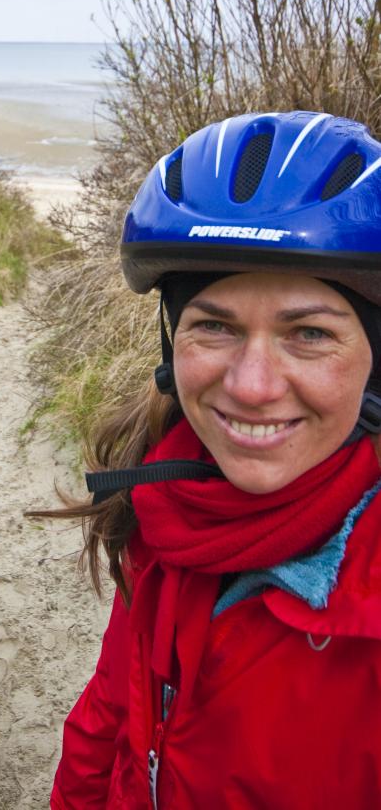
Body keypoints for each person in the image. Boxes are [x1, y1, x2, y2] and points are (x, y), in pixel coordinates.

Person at [48, 111, 381, 809]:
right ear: (172, 343)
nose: (251, 386)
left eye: (310, 333)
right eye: (214, 326)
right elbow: (109, 715)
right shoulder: (166, 501)